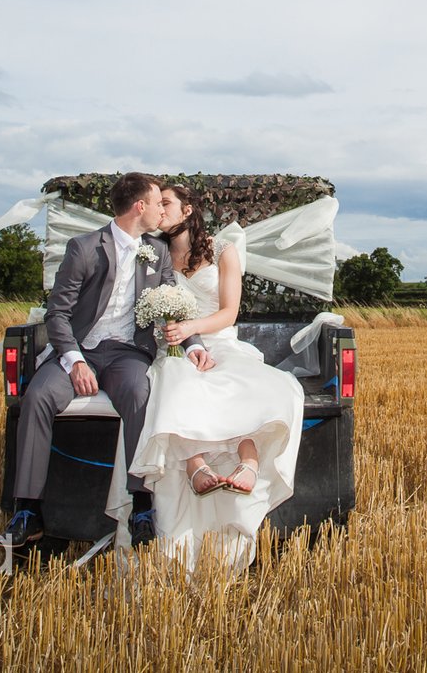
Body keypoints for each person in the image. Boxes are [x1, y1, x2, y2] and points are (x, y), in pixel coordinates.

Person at [3, 172, 215, 550]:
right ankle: (27, 508)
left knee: (139, 393)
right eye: (155, 202)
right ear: (140, 207)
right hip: (79, 350)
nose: (159, 209)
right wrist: (74, 361)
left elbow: (172, 301)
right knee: (37, 396)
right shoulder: (84, 248)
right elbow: (58, 314)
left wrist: (194, 341)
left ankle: (141, 504)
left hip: (126, 353)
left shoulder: (157, 251)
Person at [126, 182, 305, 573]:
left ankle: (249, 465)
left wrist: (192, 326)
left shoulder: (223, 251)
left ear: (187, 211)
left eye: (166, 203)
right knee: (175, 378)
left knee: (246, 384)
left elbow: (229, 313)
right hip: (175, 346)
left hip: (220, 341)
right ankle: (197, 467)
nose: (159, 210)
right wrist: (175, 334)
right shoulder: (150, 254)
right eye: (156, 204)